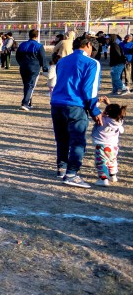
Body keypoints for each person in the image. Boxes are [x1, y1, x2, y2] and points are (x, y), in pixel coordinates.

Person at [50, 36, 102, 188]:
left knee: (62, 138)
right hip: (75, 106)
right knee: (78, 141)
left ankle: (62, 167)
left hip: (57, 104)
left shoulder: (62, 61)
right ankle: (71, 174)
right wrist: (95, 110)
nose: (93, 52)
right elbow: (89, 90)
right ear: (88, 45)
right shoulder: (92, 63)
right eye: (93, 48)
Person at [92, 101, 124, 186]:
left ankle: (103, 179)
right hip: (113, 145)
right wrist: (109, 105)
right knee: (112, 160)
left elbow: (92, 111)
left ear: (106, 112)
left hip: (101, 145)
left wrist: (98, 103)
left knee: (101, 162)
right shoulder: (119, 121)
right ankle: (113, 175)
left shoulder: (102, 119)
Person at [15, 29, 46, 111]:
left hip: (23, 67)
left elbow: (17, 56)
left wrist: (21, 63)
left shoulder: (22, 45)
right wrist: (45, 68)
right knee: (30, 85)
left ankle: (28, 102)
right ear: (37, 36)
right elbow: (42, 58)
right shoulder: (39, 46)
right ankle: (25, 103)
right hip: (34, 68)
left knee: (26, 85)